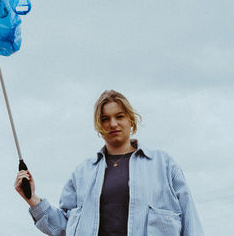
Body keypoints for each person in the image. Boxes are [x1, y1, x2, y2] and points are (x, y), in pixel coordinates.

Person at [15, 90, 204, 236]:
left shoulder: (164, 165)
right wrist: (32, 199)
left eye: (119, 116)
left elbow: (191, 223)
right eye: (105, 119)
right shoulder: (81, 174)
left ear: (131, 120)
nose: (113, 124)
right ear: (99, 125)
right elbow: (64, 228)